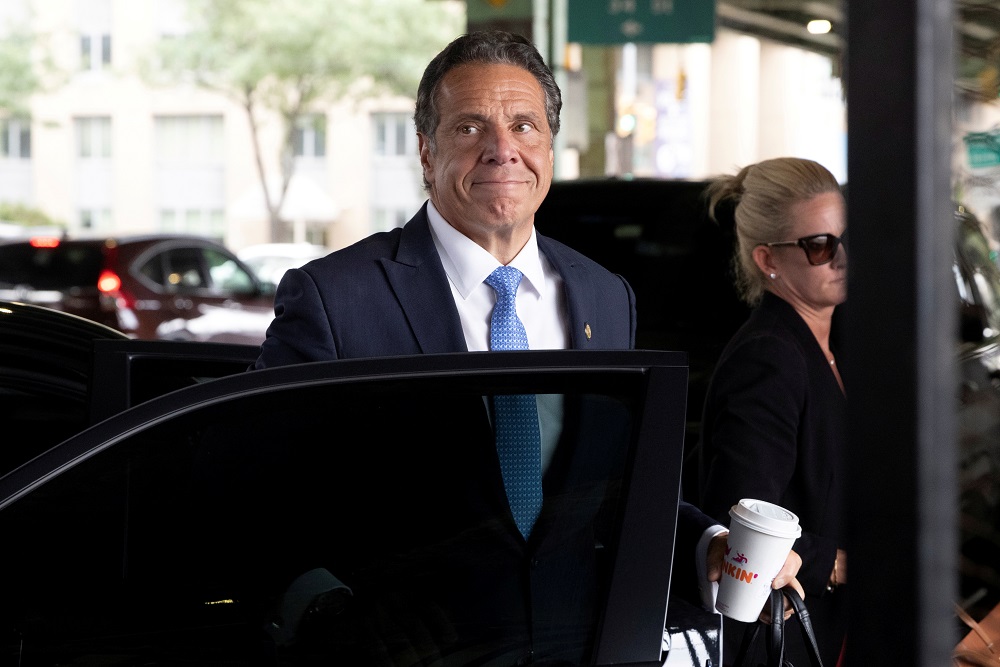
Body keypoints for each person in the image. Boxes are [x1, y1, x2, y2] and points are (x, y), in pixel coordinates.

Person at [251, 30, 802, 664]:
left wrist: (708, 543)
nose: (501, 151)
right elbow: (256, 497)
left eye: (523, 126)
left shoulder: (603, 295)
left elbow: (613, 488)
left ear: (550, 145)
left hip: (572, 646)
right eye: (469, 129)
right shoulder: (335, 297)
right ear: (427, 153)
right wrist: (328, 608)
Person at [697, 156, 848, 667]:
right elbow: (742, 515)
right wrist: (832, 562)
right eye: (821, 245)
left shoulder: (828, 343)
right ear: (768, 260)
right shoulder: (772, 355)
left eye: (847, 238)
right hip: (783, 641)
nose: (841, 257)